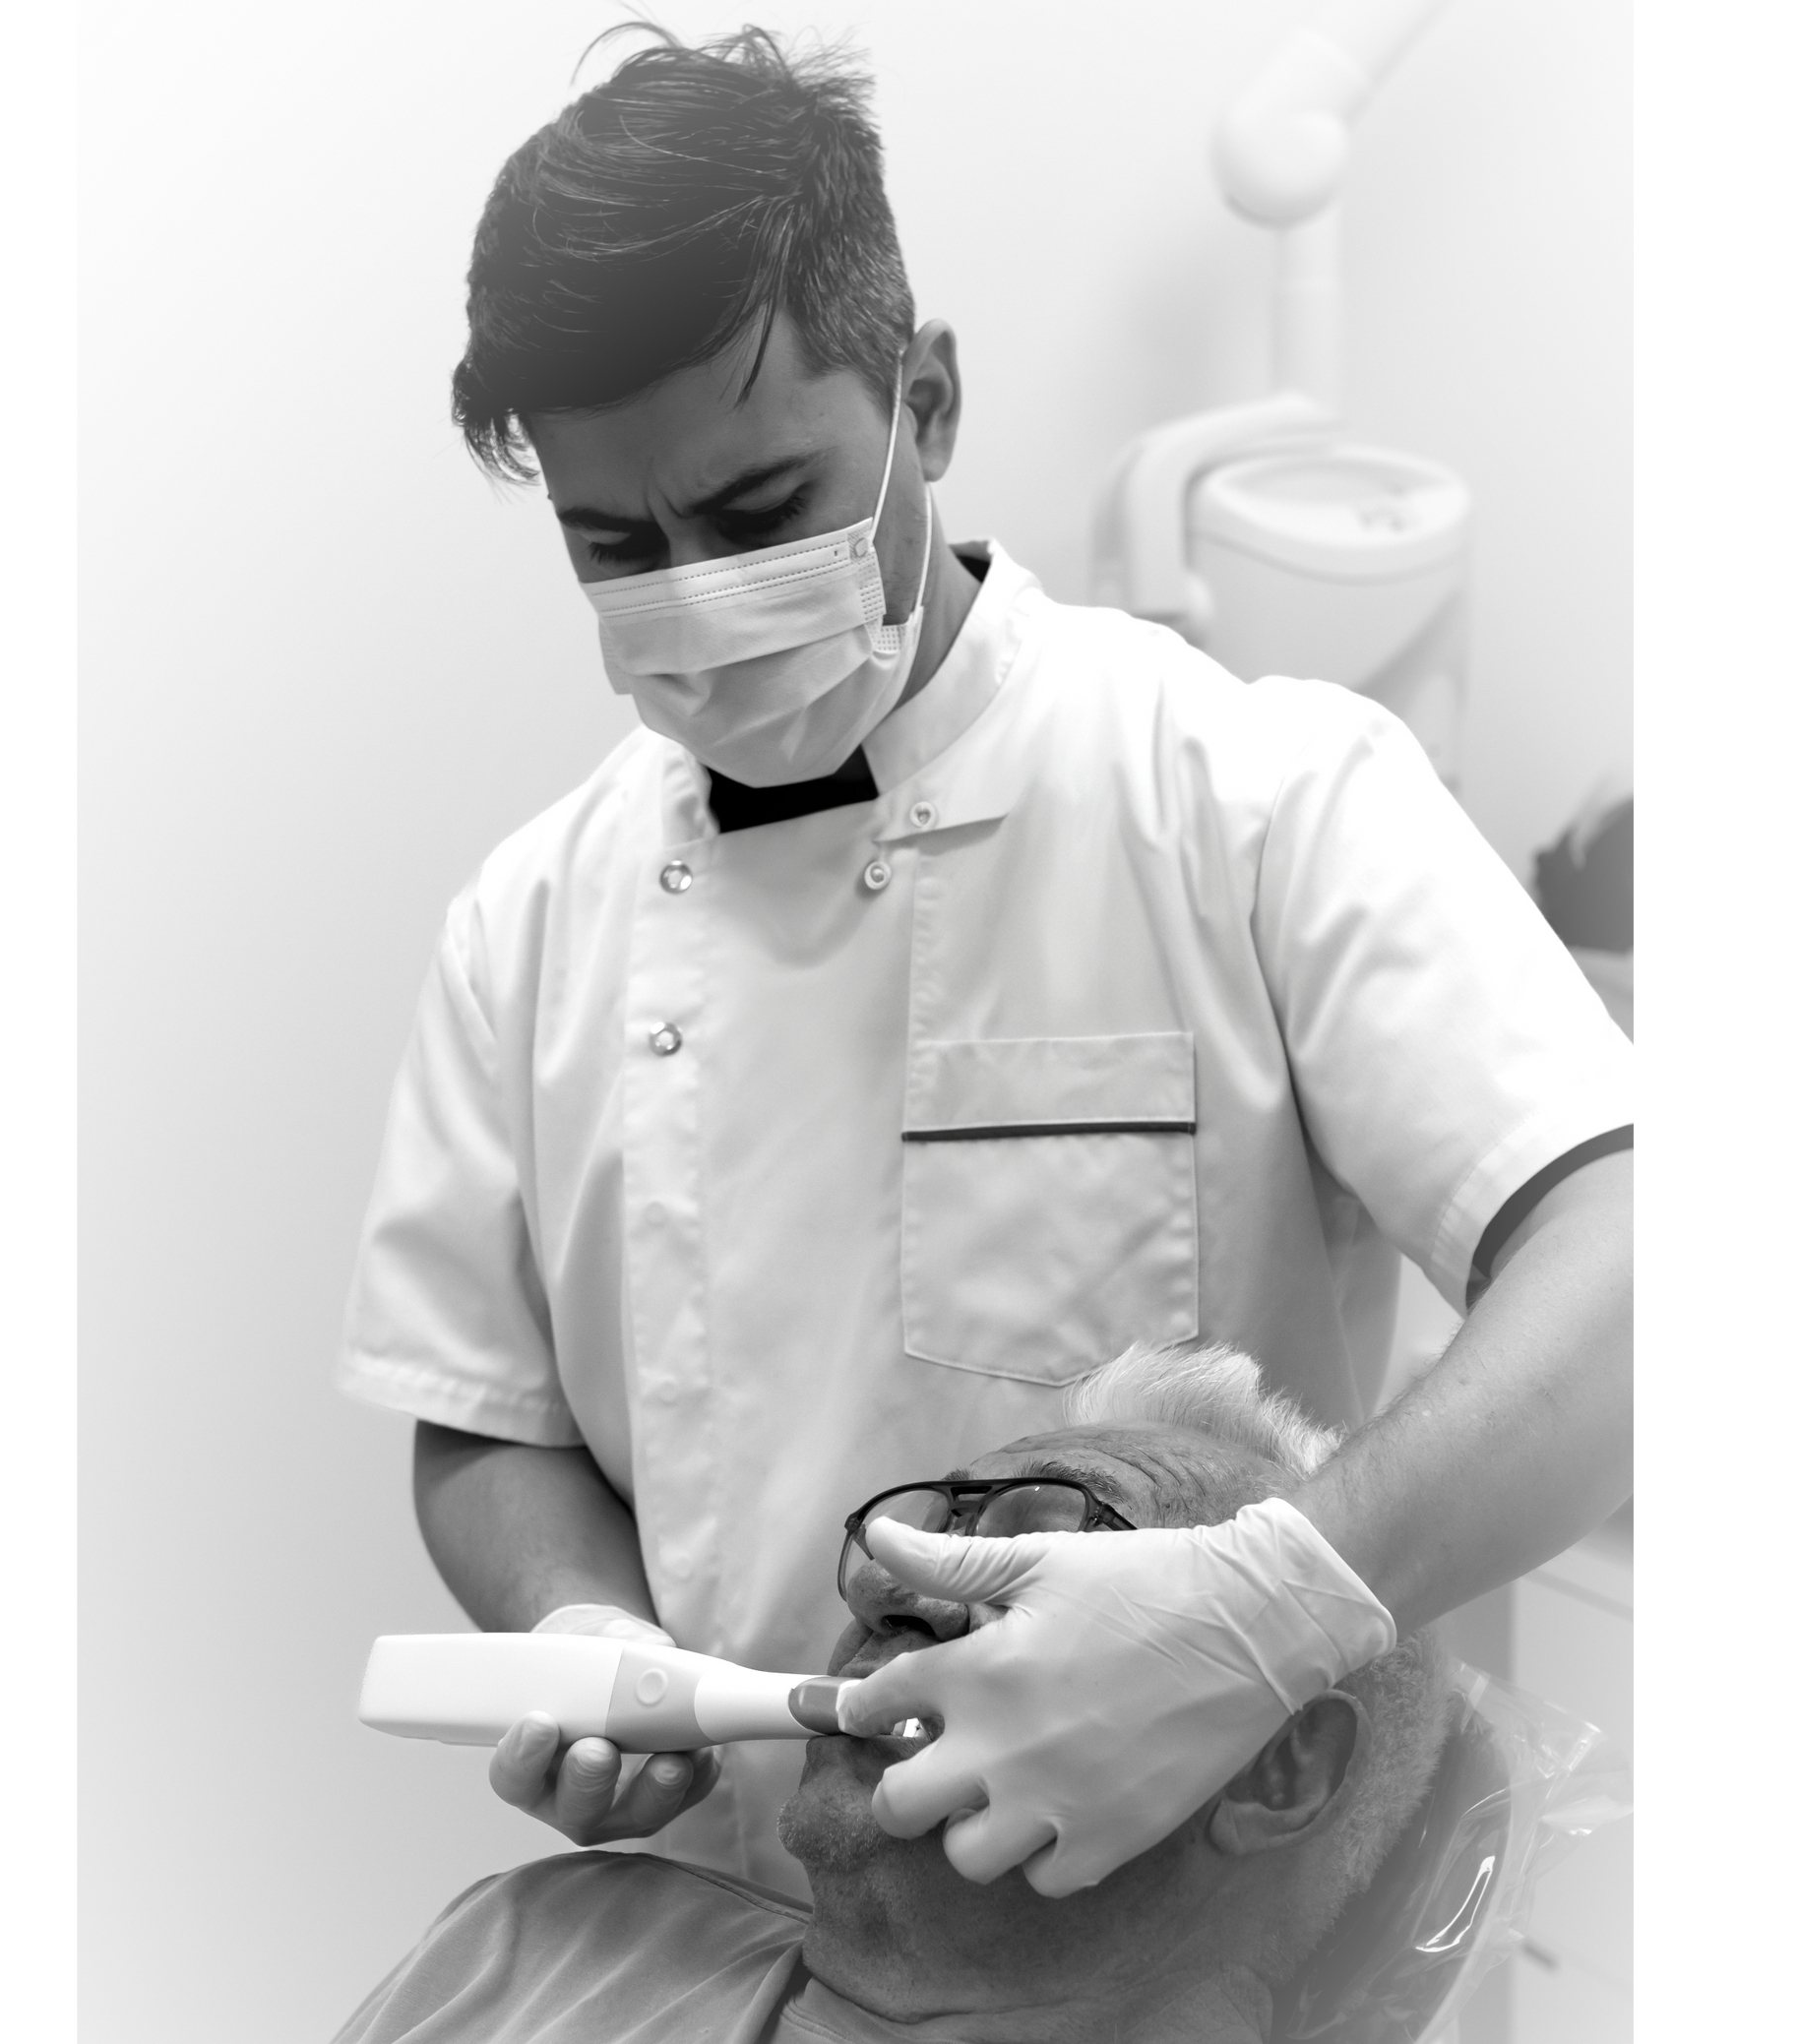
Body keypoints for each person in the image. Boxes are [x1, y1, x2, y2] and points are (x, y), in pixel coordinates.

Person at [338, 27, 1636, 1895]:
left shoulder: (1249, 793)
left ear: (926, 404)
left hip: (1190, 1946)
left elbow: (1613, 1262)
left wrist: (1266, 1607)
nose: (694, 594)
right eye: (616, 545)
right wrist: (573, 1626)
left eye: (763, 512)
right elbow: (485, 1422)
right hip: (730, 1921)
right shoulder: (527, 921)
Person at [335, 1344, 1458, 2044]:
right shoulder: (530, 1945)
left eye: (1039, 1542)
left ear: (1280, 1763)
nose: (890, 1584)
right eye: (934, 1529)